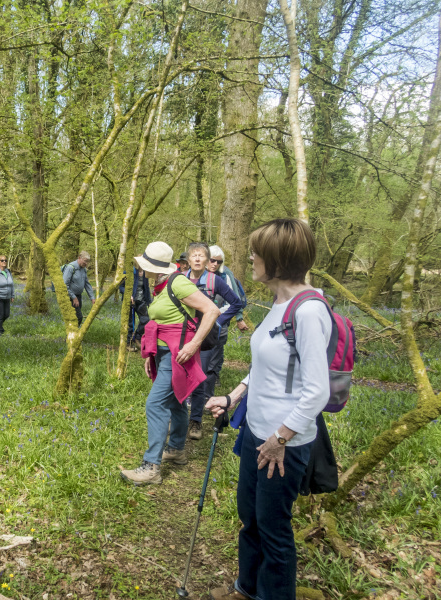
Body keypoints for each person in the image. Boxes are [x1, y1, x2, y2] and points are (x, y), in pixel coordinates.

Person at [206, 219, 332, 600]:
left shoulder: (309, 311)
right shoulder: (279, 304)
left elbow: (317, 391)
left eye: (257, 252)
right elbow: (263, 367)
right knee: (251, 519)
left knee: (274, 529)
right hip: (255, 434)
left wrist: (280, 438)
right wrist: (233, 397)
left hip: (283, 445)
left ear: (276, 259)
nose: (251, 257)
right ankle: (246, 588)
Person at [120, 242, 220, 486]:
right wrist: (149, 354)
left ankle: (151, 467)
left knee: (155, 404)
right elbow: (162, 321)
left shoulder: (178, 283)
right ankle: (176, 449)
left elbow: (212, 310)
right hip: (164, 353)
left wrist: (194, 344)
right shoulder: (160, 285)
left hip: (178, 355)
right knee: (175, 402)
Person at [184, 242, 245, 441]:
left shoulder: (214, 281)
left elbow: (236, 303)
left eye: (202, 256)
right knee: (181, 376)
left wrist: (218, 322)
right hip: (183, 336)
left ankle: (195, 421)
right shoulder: (179, 280)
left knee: (201, 377)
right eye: (195, 255)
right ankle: (178, 418)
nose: (198, 259)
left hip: (207, 338)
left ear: (208, 260)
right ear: (188, 259)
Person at [207, 245, 249, 331]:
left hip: (220, 320)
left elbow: (235, 299)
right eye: (212, 260)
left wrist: (239, 318)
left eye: (219, 262)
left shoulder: (225, 274)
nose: (215, 264)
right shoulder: (197, 273)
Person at [62, 251, 96, 327]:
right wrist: (73, 297)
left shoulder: (83, 269)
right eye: (85, 261)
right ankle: (73, 336)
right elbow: (64, 285)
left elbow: (87, 284)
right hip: (70, 297)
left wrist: (92, 298)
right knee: (78, 317)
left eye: (88, 262)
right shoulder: (70, 268)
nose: (86, 263)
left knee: (76, 318)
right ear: (79, 258)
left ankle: (73, 337)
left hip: (78, 296)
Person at [128, 267, 151, 352]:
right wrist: (129, 295)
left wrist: (149, 301)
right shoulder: (131, 272)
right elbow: (121, 286)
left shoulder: (145, 273)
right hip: (131, 301)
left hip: (142, 300)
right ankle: (128, 343)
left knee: (146, 319)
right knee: (130, 323)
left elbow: (146, 288)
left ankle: (137, 337)